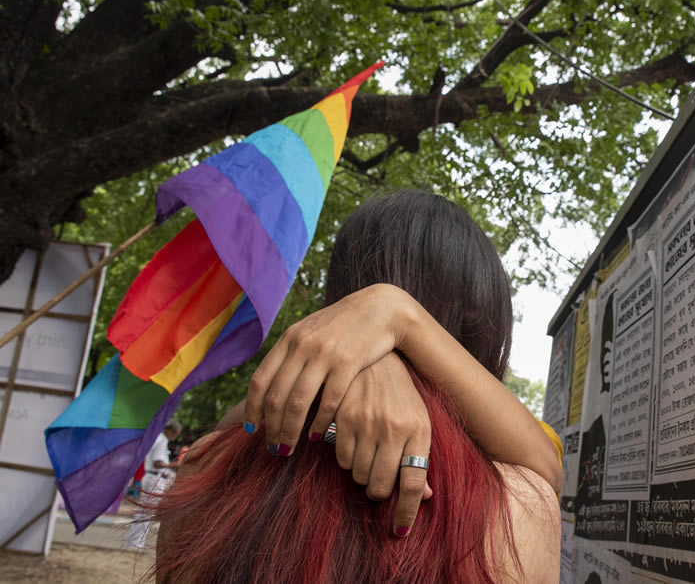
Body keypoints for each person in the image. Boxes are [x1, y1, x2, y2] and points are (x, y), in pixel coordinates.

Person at [153, 190, 561, 583]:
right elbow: (547, 468)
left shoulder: (204, 469)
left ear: (337, 300)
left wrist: (390, 319)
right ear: (483, 330)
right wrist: (398, 327)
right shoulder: (521, 507)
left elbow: (232, 428)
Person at [126, 419, 181, 549]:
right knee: (147, 512)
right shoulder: (162, 440)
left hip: (151, 476)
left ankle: (134, 541)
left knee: (144, 511)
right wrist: (173, 465)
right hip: (155, 477)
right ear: (172, 431)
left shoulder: (158, 438)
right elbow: (158, 462)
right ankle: (136, 542)